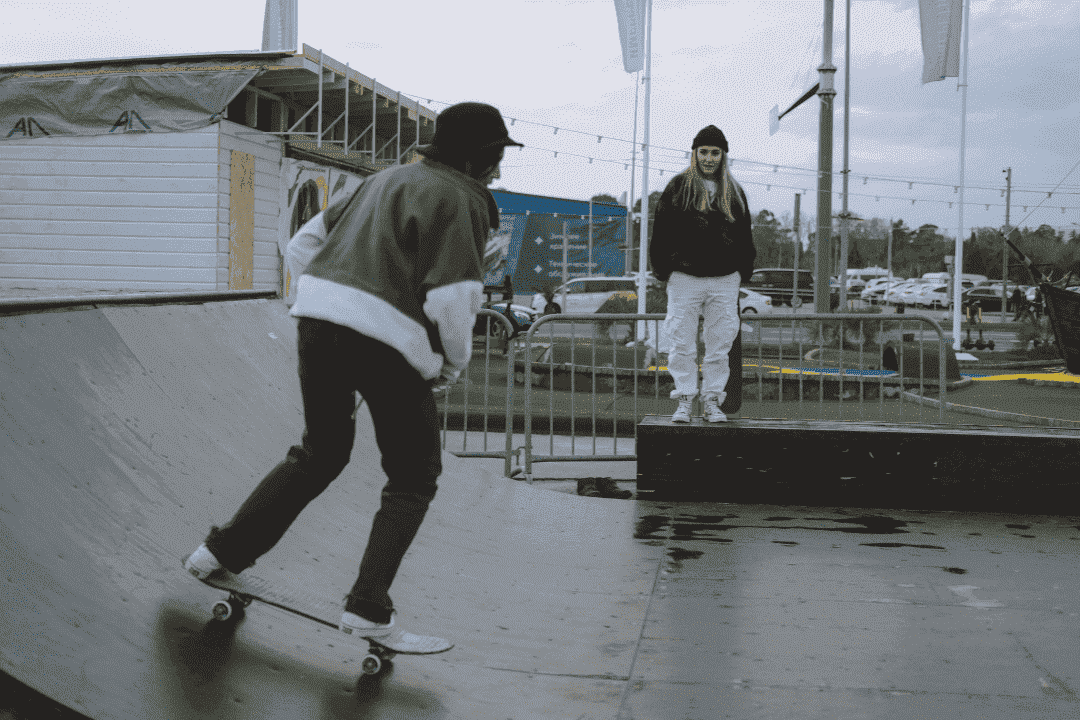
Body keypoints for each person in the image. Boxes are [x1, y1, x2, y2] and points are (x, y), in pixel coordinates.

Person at [183, 102, 522, 647]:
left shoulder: (383, 178)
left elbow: (301, 247)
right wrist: (450, 363)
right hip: (385, 341)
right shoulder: (462, 199)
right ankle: (367, 607)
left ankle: (216, 553)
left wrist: (328, 300)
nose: (500, 171)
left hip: (318, 322)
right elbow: (454, 297)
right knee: (414, 475)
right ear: (480, 156)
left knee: (320, 452)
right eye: (498, 157)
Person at [649, 125, 756, 423]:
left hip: (724, 278)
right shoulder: (678, 187)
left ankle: (712, 401)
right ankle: (684, 399)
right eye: (704, 152)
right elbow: (661, 231)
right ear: (694, 153)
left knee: (720, 343)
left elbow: (745, 234)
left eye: (715, 153)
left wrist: (743, 268)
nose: (709, 158)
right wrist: (664, 268)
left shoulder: (734, 192)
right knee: (680, 340)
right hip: (685, 277)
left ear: (724, 156)